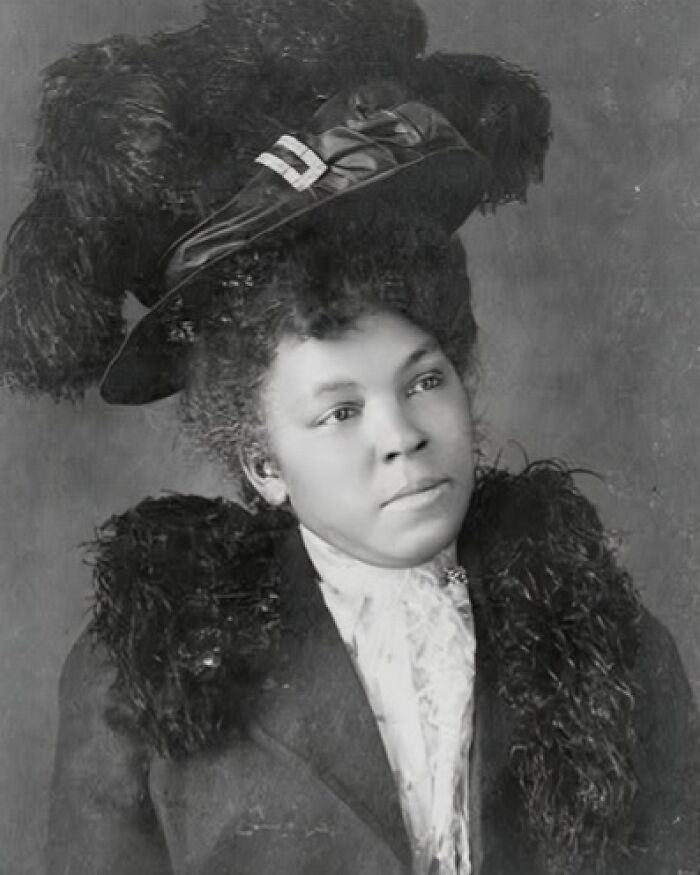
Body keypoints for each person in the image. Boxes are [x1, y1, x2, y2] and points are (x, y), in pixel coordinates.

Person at [1, 2, 698, 874]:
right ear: (263, 463)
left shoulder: (609, 642)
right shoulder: (137, 686)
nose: (402, 435)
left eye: (425, 380)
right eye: (338, 411)